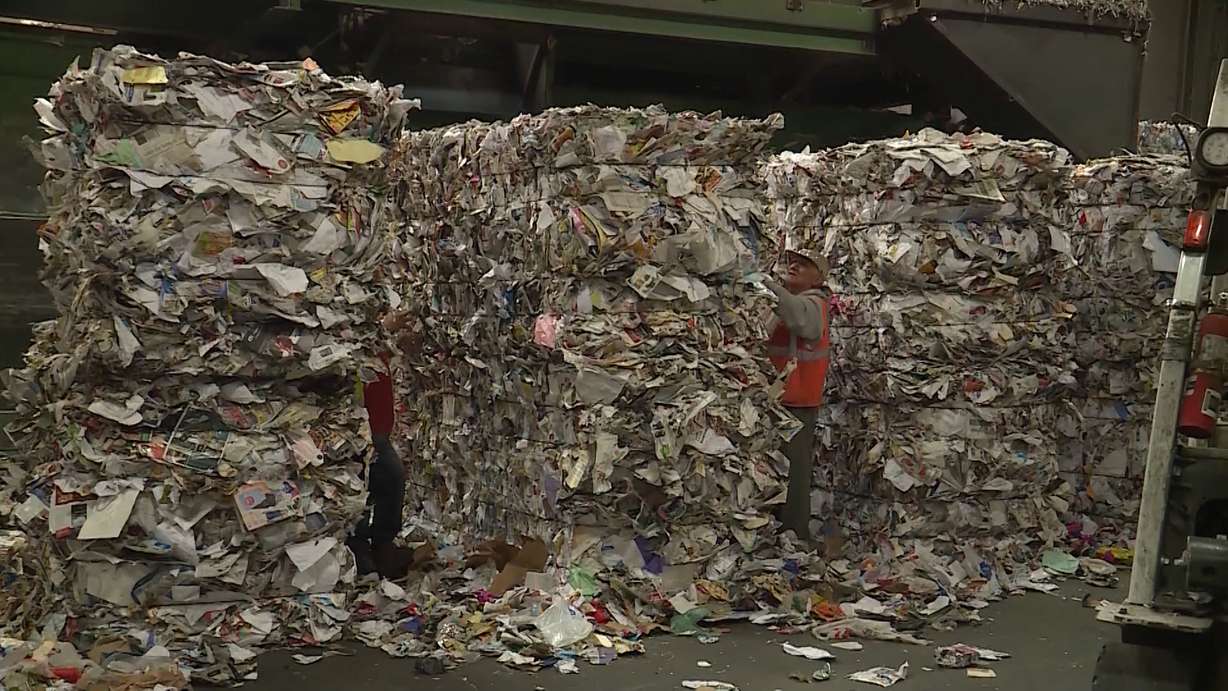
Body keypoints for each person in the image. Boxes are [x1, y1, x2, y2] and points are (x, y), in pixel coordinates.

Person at [761, 249, 832, 545]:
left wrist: (765, 284)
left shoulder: (815, 304)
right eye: (792, 262)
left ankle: (795, 536)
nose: (794, 266)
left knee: (793, 473)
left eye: (804, 265)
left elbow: (802, 321)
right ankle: (771, 533)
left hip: (797, 405)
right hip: (776, 402)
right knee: (770, 470)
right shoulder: (786, 302)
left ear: (819, 277)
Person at [348, 310, 418, 579]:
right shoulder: (354, 339)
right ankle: (360, 550)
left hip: (377, 430)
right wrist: (384, 327)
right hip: (357, 430)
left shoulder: (373, 343)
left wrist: (390, 334)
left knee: (389, 480)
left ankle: (380, 546)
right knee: (365, 485)